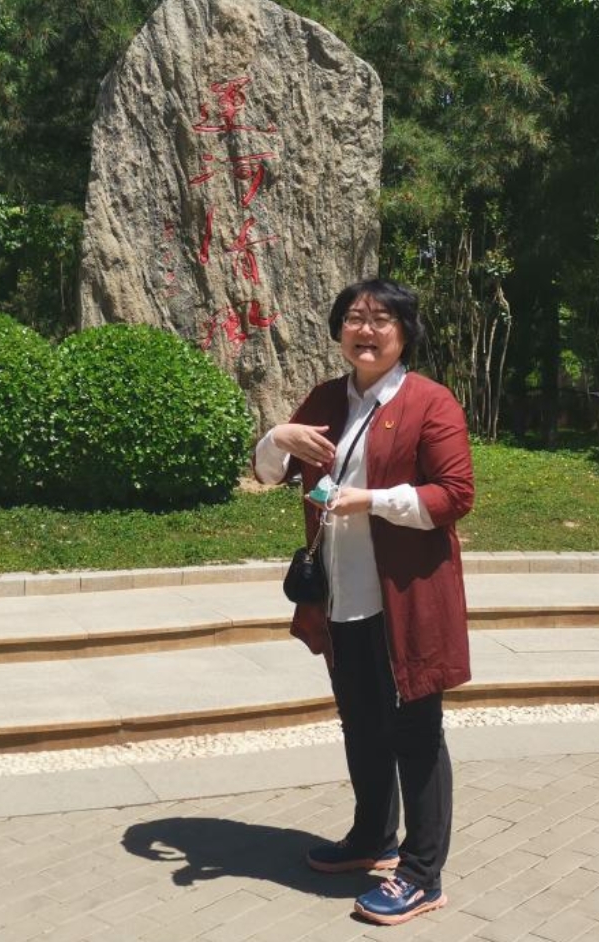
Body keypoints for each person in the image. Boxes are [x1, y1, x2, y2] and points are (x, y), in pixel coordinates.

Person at [253, 277, 474, 926]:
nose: (366, 330)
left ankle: (422, 874)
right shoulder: (327, 399)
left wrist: (371, 501)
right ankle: (372, 836)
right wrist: (277, 437)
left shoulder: (429, 402)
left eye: (381, 319)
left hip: (407, 601)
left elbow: (454, 495)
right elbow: (268, 473)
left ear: (405, 333)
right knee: (361, 723)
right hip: (340, 596)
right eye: (354, 318)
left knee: (416, 734)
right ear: (339, 330)